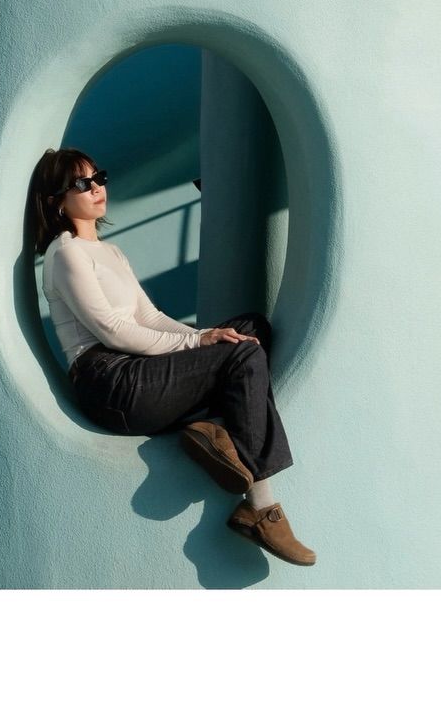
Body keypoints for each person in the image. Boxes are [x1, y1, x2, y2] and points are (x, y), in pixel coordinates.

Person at [27, 145, 315, 566]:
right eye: (81, 184)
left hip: (139, 371)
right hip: (108, 382)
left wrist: (208, 335)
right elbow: (112, 330)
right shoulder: (65, 252)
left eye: (99, 178)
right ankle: (260, 506)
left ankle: (215, 432)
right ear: (57, 201)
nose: (95, 189)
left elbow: (149, 316)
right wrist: (197, 344)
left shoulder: (109, 252)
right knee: (240, 358)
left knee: (250, 331)